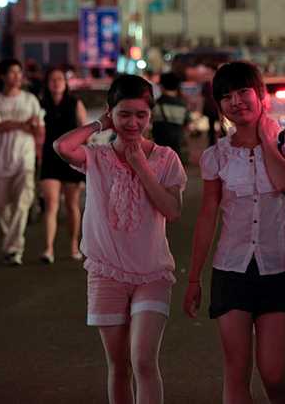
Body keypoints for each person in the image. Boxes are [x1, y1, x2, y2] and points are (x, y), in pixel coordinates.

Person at [54, 74, 187, 404]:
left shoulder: (166, 158)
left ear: (150, 116)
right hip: (106, 273)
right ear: (111, 113)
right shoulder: (96, 158)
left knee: (143, 361)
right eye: (124, 114)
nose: (133, 122)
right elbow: (62, 146)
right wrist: (99, 125)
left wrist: (141, 167)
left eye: (141, 115)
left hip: (152, 273)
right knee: (118, 366)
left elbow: (172, 210)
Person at [183, 61, 285, 404]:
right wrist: (194, 278)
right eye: (226, 96)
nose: (235, 102)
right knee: (236, 373)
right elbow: (208, 215)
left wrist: (266, 142)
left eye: (242, 92)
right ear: (219, 106)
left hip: (277, 270)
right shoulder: (215, 156)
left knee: (273, 373)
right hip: (231, 271)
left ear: (261, 96)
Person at [0, 58, 45, 266]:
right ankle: (10, 244)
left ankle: (13, 250)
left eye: (19, 73)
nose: (16, 77)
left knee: (22, 204)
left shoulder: (30, 100)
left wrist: (31, 130)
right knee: (1, 208)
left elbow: (38, 128)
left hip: (25, 159)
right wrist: (23, 124)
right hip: (1, 160)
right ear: (3, 76)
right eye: (12, 73)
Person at [38, 67, 88, 264]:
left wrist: (83, 156)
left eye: (60, 79)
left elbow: (84, 129)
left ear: (66, 83)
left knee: (71, 204)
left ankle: (74, 245)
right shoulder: (41, 104)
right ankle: (48, 248)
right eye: (52, 79)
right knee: (51, 204)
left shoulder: (74, 103)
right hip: (50, 158)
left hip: (70, 158)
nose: (56, 82)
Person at [151, 72, 190, 161]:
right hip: (176, 144)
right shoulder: (182, 105)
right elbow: (187, 123)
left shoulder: (155, 104)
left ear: (162, 86)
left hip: (159, 143)